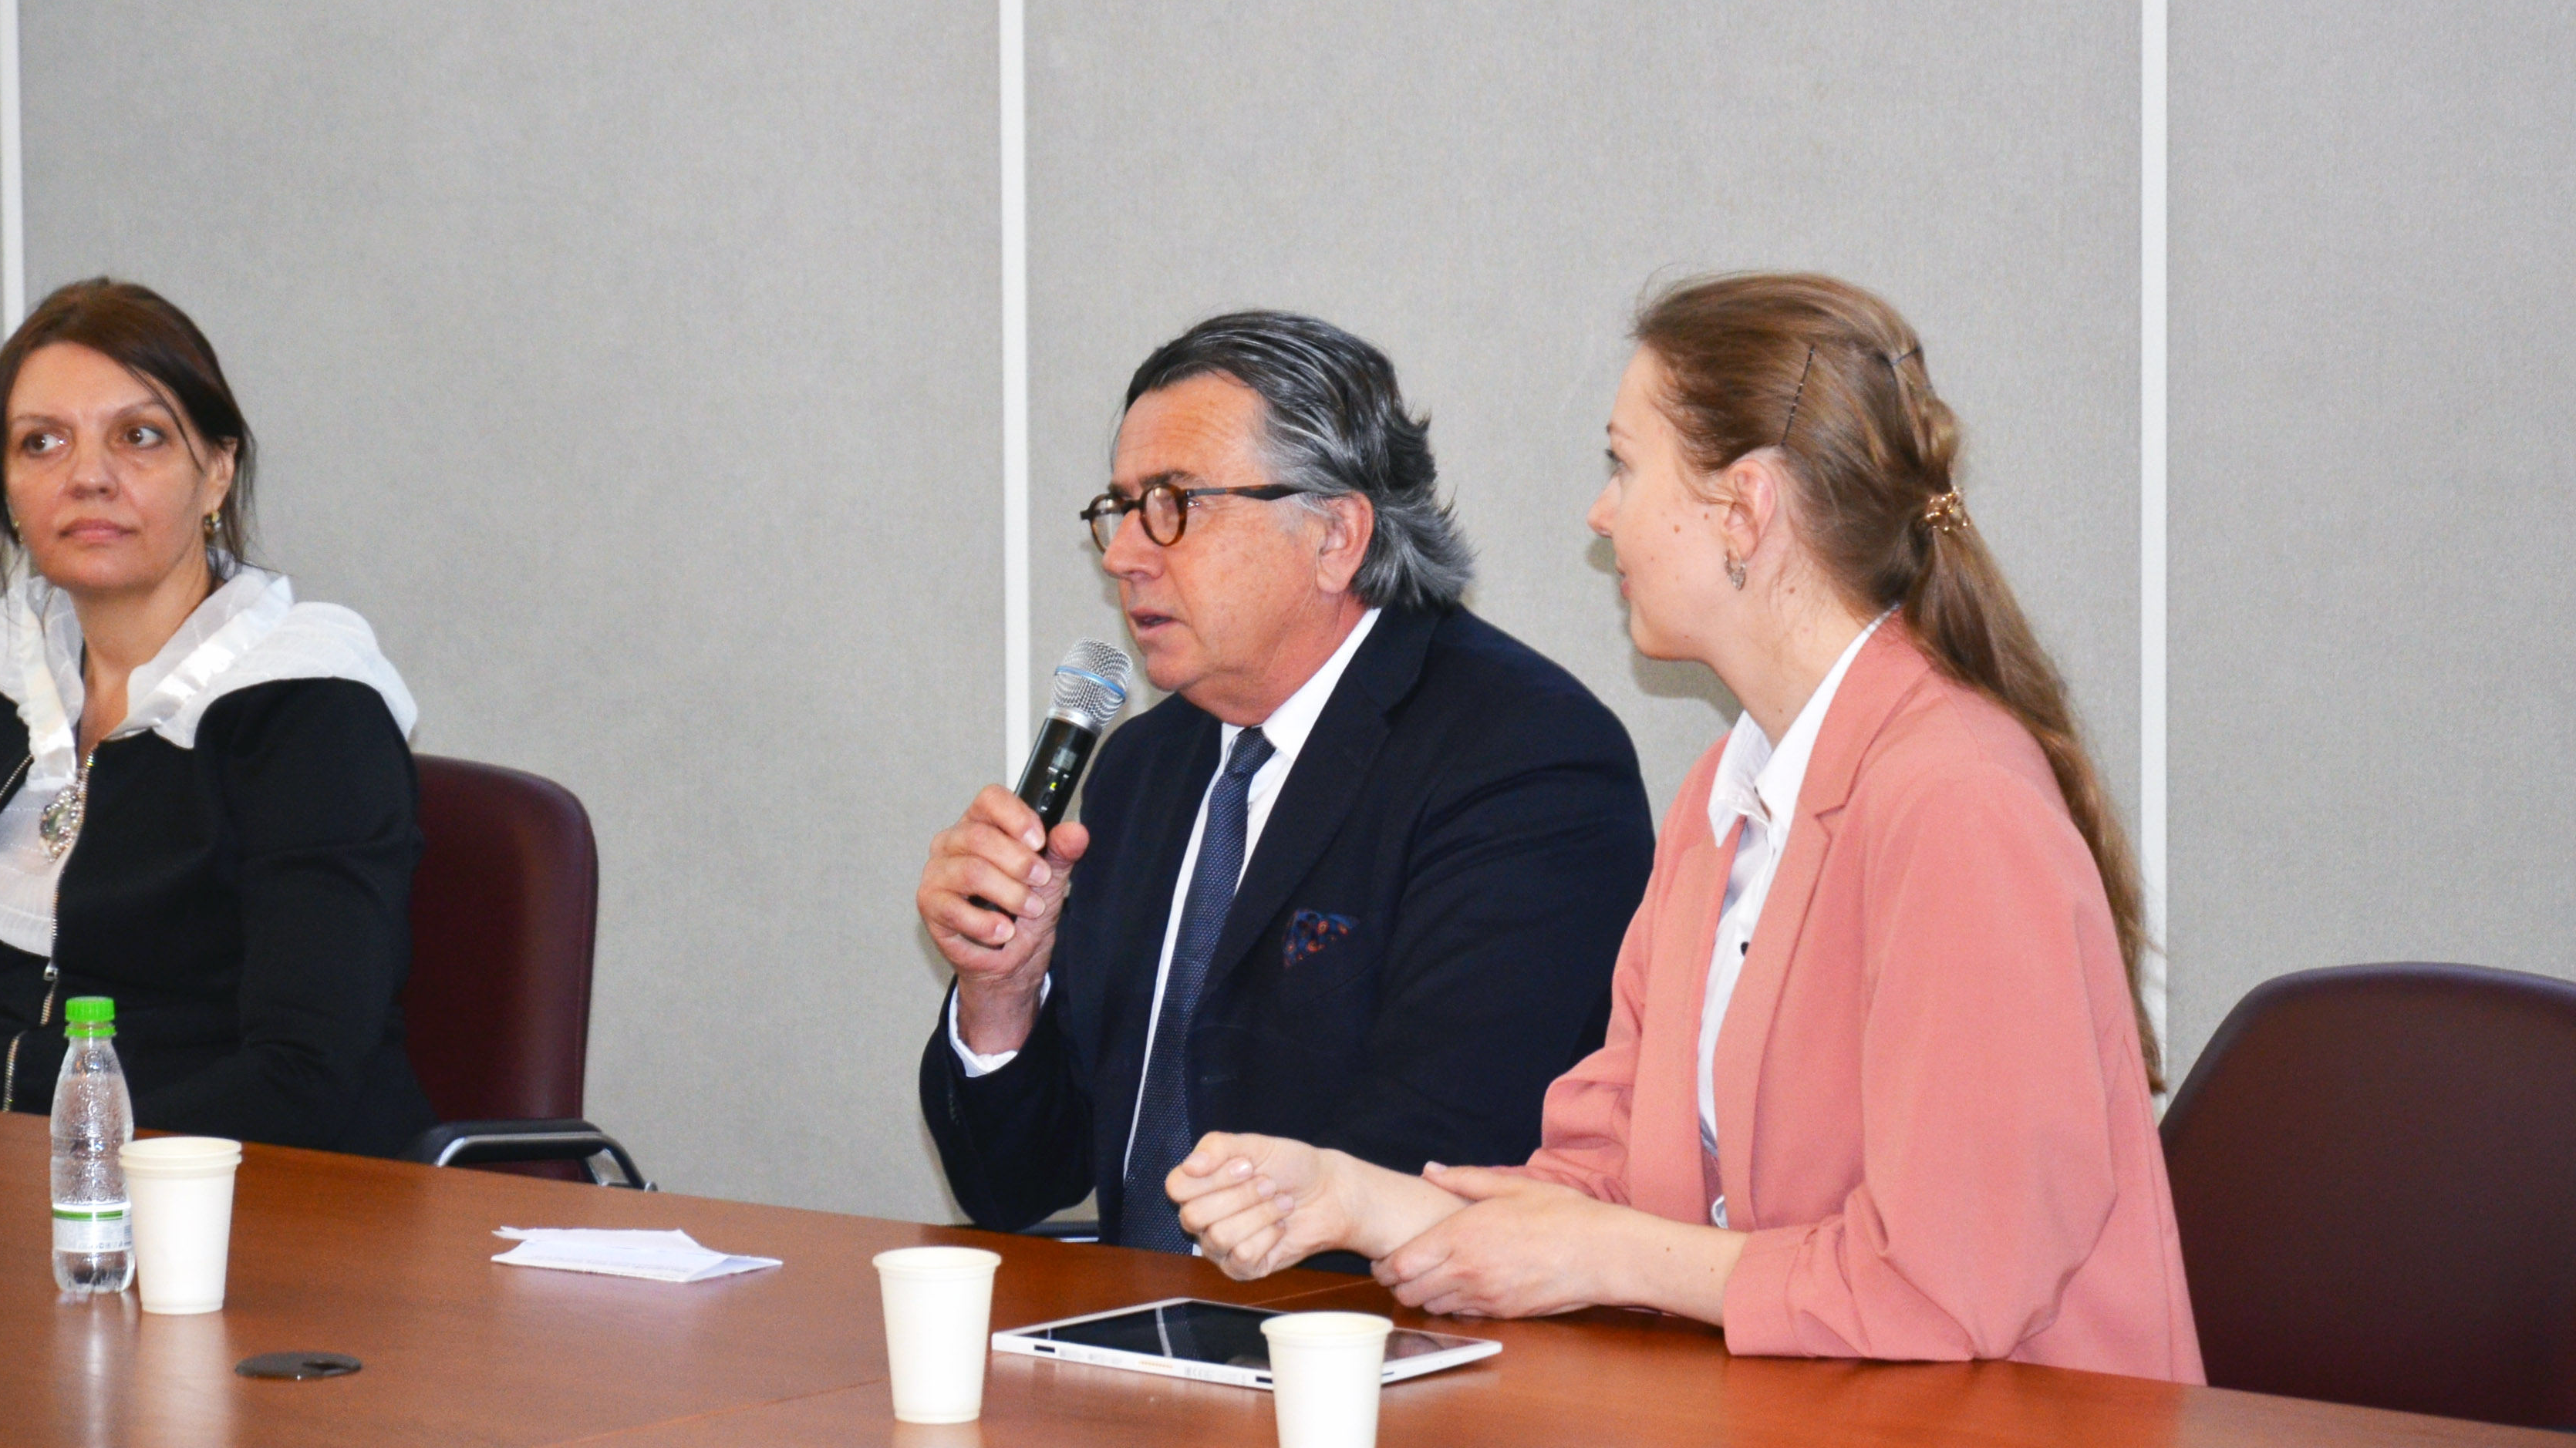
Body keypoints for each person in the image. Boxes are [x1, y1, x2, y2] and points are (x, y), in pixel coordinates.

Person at [1167, 275, 2203, 1382]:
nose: (1599, 513)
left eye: (1624, 465)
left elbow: (1948, 1286)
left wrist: (1612, 1255)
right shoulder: (1726, 792)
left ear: (1744, 509)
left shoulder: (1956, 800)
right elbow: (1602, 1188)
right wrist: (1349, 1197)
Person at [916, 311, 1654, 1254]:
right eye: (1121, 507)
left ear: (1336, 535)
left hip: (1358, 1333)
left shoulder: (1523, 760)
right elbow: (1014, 1184)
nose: (1123, 554)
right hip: (1136, 1324)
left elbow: (1445, 1163)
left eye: (1173, 503)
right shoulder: (1141, 769)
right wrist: (1004, 990)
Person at [0, 279, 434, 1157]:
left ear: (217, 469)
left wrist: (68, 1174)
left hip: (244, 1187)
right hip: (7, 1178)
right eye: (42, 442)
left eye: (138, 436)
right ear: (9, 489)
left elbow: (304, 1073)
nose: (88, 476)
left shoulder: (308, 700)